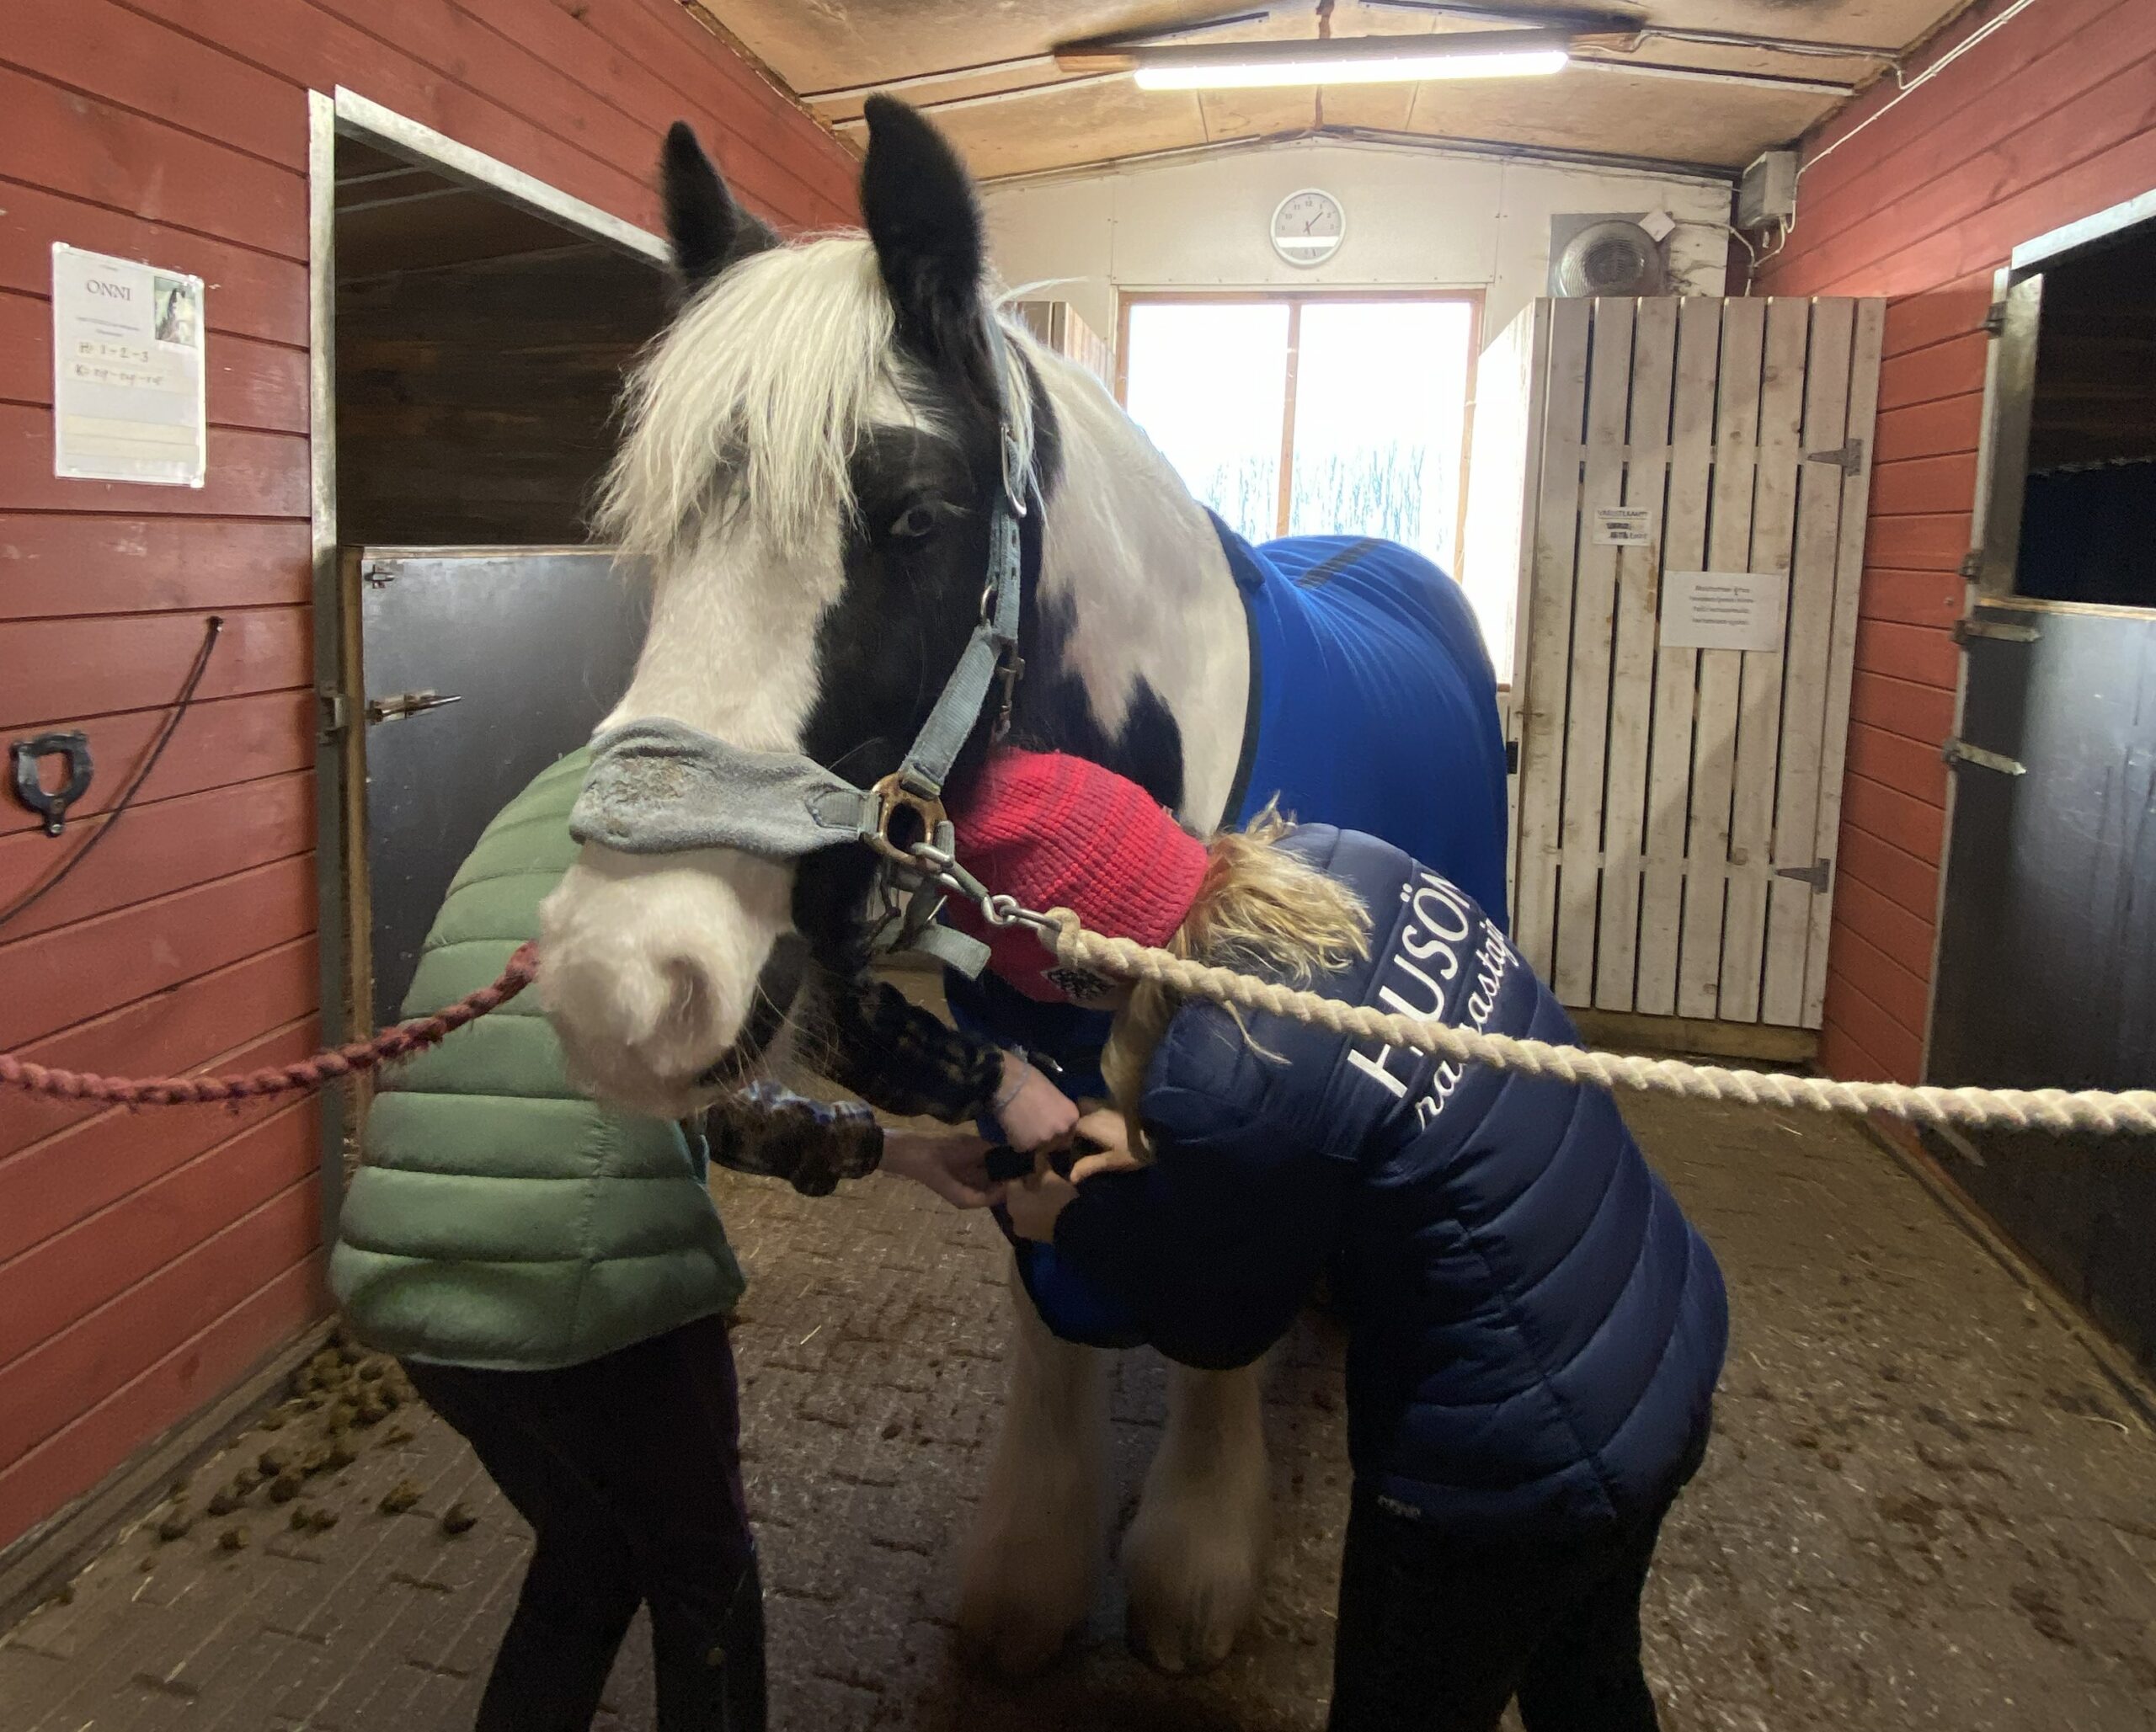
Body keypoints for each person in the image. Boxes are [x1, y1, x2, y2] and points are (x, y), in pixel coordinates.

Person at [940, 748, 1730, 1732]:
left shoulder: (1221, 1071)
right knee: (1588, 1677)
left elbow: (1219, 1322)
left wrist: (1068, 1220)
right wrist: (1157, 1143)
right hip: (1661, 1330)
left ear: (1079, 964)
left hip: (1513, 1459)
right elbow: (1336, 1103)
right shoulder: (1334, 858)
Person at [329, 746, 1076, 1732]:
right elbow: (828, 1010)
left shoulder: (556, 795)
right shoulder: (728, 788)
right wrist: (1000, 1081)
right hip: (587, 1271)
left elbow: (697, 1085)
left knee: (590, 1553)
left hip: (406, 1260)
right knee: (705, 1582)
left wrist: (893, 1152)